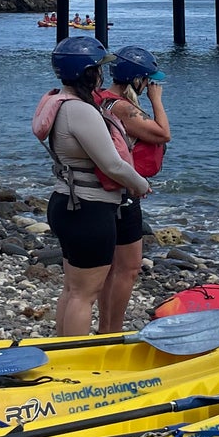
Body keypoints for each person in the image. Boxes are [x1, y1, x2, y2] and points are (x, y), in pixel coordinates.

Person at [33, 34, 151, 335]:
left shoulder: (60, 103)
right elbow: (111, 164)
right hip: (89, 209)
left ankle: (62, 354)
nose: (102, 73)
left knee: (73, 290)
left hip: (66, 201)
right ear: (87, 72)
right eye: (98, 68)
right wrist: (139, 184)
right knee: (85, 295)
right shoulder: (81, 111)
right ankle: (75, 363)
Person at [95, 45, 171, 334]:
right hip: (123, 195)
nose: (151, 85)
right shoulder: (124, 107)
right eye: (148, 80)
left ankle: (106, 328)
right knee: (128, 267)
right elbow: (164, 133)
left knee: (112, 269)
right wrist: (156, 100)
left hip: (109, 192)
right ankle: (112, 331)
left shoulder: (102, 100)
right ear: (137, 79)